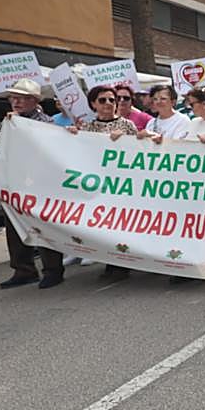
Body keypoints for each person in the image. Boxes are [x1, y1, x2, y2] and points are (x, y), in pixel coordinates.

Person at [0, 78, 67, 290]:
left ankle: (53, 270)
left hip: (40, 183)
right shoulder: (7, 122)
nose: (16, 102)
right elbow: (1, 150)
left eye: (22, 98)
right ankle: (23, 269)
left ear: (35, 100)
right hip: (15, 182)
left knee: (43, 226)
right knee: (15, 227)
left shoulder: (46, 123)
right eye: (13, 98)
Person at [69, 85, 138, 282]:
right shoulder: (87, 128)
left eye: (112, 100)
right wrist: (70, 136)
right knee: (104, 225)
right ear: (93, 104)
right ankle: (109, 261)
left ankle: (121, 265)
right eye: (102, 100)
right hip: (97, 186)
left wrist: (125, 140)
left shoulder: (127, 125)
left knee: (121, 225)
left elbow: (140, 154)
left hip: (121, 186)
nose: (108, 104)